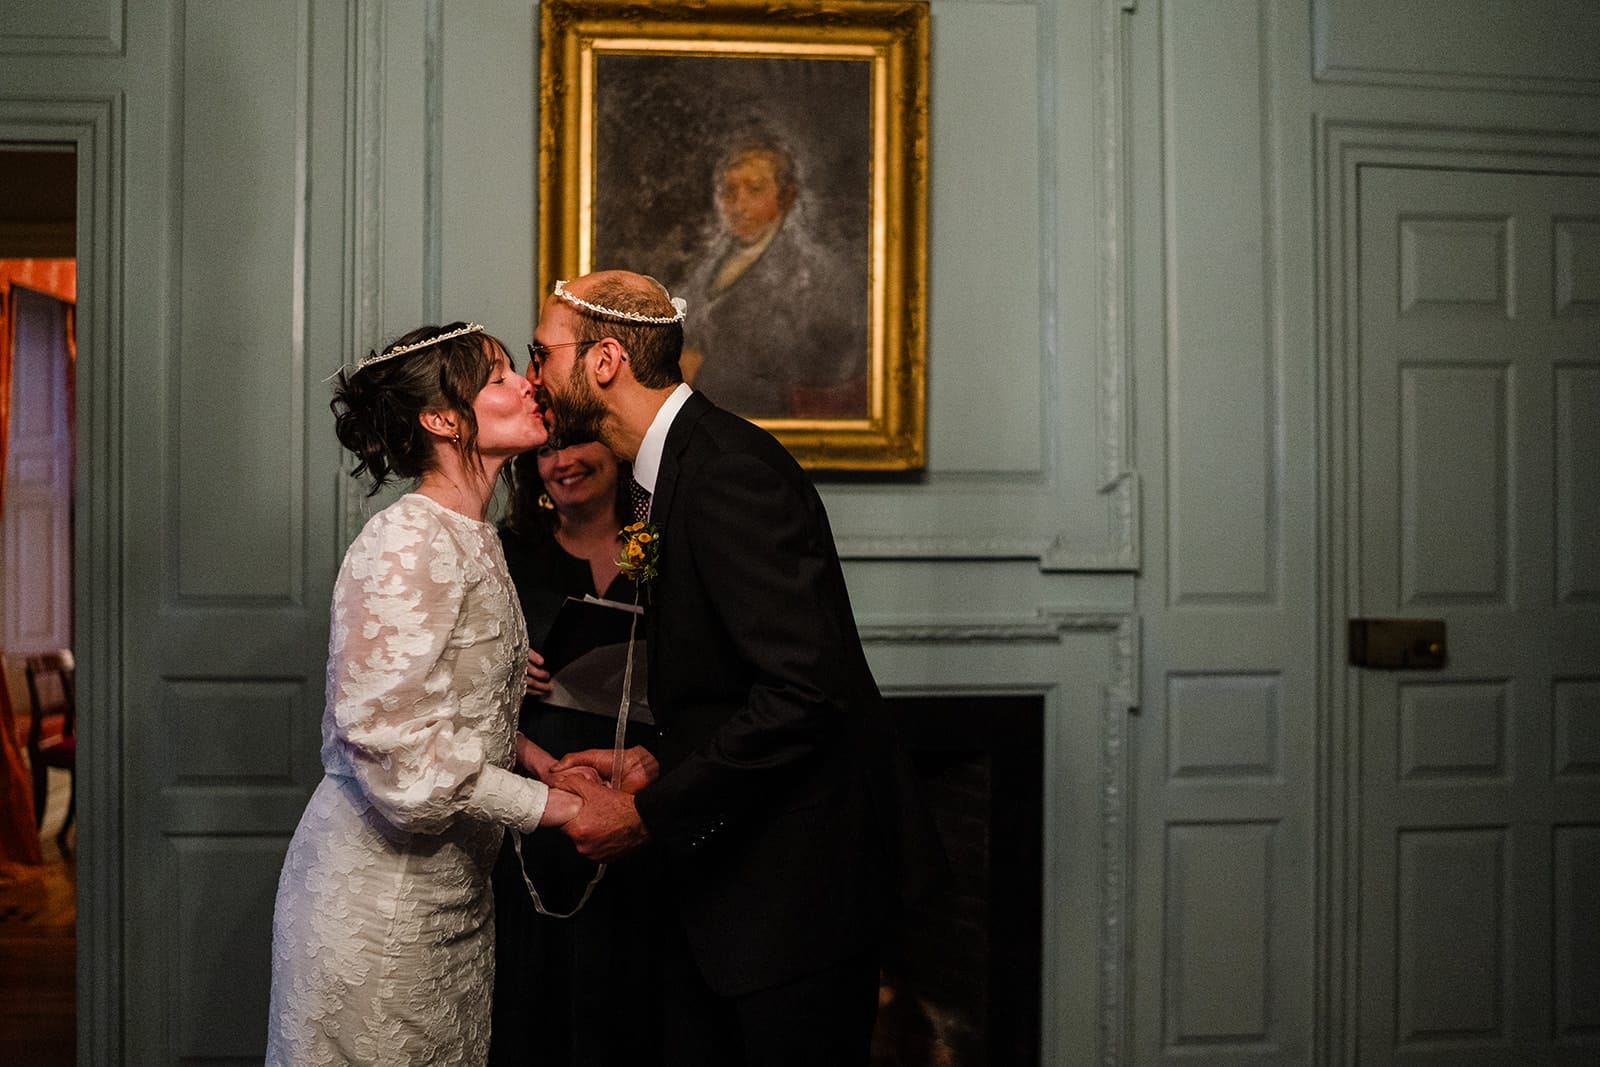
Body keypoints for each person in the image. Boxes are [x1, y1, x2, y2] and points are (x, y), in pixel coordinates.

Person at [530, 272, 945, 1066]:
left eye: (542, 354)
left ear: (606, 359)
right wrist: (660, 757)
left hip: (799, 900)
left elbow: (804, 691)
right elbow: (734, 680)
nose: (534, 376)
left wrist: (648, 813)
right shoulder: (668, 467)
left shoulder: (727, 470)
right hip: (734, 893)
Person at [266, 322, 579, 1066]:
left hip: (454, 898)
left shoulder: (475, 534)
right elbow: (393, 750)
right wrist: (556, 809)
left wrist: (536, 757)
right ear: (442, 418)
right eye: (500, 377)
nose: (527, 383)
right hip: (382, 905)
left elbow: (448, 704)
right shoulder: (404, 541)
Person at [487, 440, 661, 1066]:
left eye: (577, 444)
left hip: (641, 774)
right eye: (547, 452)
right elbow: (462, 677)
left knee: (629, 972)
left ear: (615, 452)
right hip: (542, 776)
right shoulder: (506, 552)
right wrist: (510, 672)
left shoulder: (662, 546)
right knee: (537, 973)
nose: (562, 462)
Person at [675, 136, 868, 419]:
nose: (738, 206)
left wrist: (705, 374)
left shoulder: (820, 278)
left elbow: (812, 388)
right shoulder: (710, 264)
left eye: (754, 190)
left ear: (786, 198)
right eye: (728, 191)